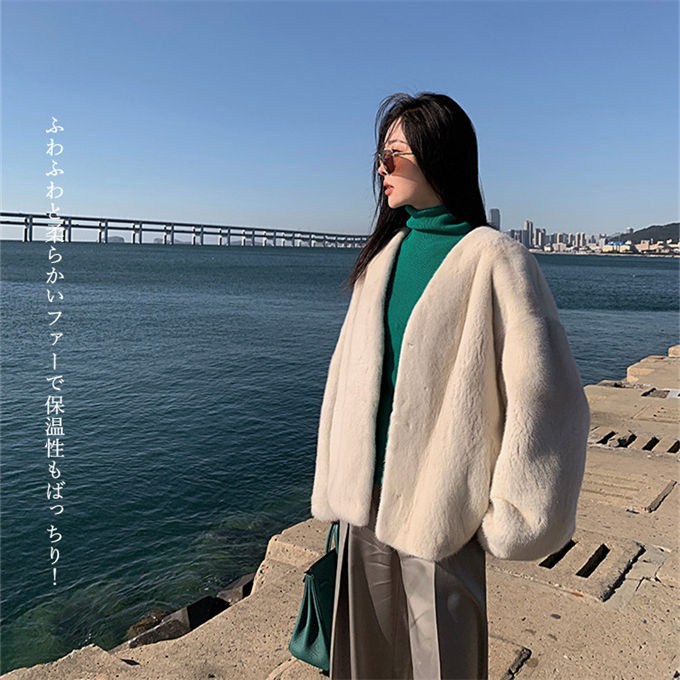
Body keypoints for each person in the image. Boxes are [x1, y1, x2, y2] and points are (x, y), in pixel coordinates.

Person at [310, 92, 590, 680]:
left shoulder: (496, 259)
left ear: (438, 156)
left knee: (444, 663)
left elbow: (546, 398)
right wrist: (337, 483)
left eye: (394, 155)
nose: (381, 168)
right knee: (362, 664)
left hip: (443, 515)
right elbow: (346, 383)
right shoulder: (382, 257)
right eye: (380, 156)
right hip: (362, 507)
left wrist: (509, 514)